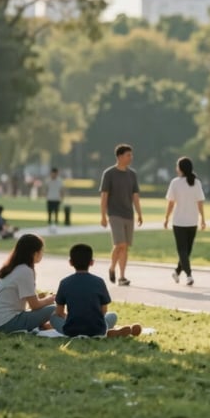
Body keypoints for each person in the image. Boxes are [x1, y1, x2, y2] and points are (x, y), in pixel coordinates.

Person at [53, 243, 142, 337]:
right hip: (97, 329)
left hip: (72, 330)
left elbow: (59, 312)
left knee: (53, 317)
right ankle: (110, 330)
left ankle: (110, 330)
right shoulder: (99, 282)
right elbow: (104, 310)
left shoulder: (64, 282)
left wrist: (69, 318)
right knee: (112, 315)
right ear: (92, 262)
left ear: (70, 262)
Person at [0, 233, 59, 334]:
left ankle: (47, 326)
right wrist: (51, 299)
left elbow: (31, 303)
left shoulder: (13, 268)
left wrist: (43, 299)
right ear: (34, 253)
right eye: (41, 250)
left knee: (47, 305)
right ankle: (70, 327)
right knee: (54, 308)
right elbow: (35, 305)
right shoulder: (25, 271)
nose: (42, 253)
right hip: (6, 323)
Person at [100, 143, 143, 286]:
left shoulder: (132, 174)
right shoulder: (109, 173)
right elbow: (104, 196)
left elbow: (135, 196)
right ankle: (112, 267)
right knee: (120, 244)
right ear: (119, 156)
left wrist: (139, 213)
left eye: (131, 155)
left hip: (128, 214)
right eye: (128, 155)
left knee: (124, 247)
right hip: (114, 214)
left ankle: (122, 277)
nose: (131, 157)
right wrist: (103, 216)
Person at [164, 156, 206, 286]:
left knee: (185, 252)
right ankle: (188, 275)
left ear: (180, 168)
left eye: (177, 166)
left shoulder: (176, 182)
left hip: (181, 221)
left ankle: (178, 272)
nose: (176, 168)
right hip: (189, 221)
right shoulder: (195, 182)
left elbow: (170, 203)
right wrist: (202, 218)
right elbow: (200, 203)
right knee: (184, 251)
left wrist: (166, 218)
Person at [45, 167, 65, 232]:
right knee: (49, 213)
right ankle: (49, 225)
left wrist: (62, 198)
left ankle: (56, 226)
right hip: (50, 199)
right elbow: (46, 189)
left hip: (56, 199)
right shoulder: (48, 180)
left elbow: (61, 190)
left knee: (56, 213)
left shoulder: (59, 181)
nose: (53, 175)